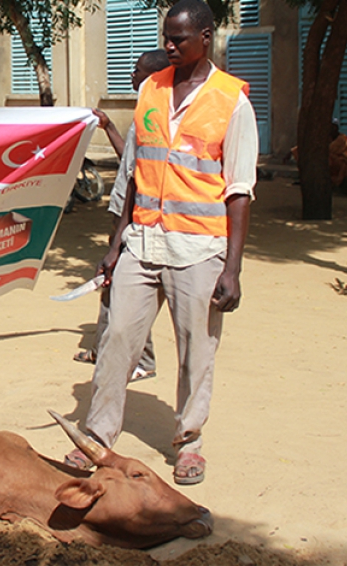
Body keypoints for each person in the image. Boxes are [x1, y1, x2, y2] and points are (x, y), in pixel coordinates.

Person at [75, 0, 257, 485]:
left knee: (196, 350)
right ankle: (97, 436)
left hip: (199, 249)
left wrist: (232, 269)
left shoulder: (231, 101)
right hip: (142, 241)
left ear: (207, 36)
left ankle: (189, 442)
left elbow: (239, 192)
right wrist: (115, 246)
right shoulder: (151, 90)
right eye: (165, 38)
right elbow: (134, 173)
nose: (169, 46)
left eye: (179, 39)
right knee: (116, 339)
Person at [72, 50, 170, 389]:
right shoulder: (143, 110)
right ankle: (102, 347)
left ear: (155, 75)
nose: (132, 75)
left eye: (138, 71)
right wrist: (109, 125)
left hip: (137, 214)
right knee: (109, 279)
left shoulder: (158, 112)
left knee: (126, 283)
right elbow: (126, 158)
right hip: (121, 209)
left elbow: (143, 173)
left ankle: (142, 360)